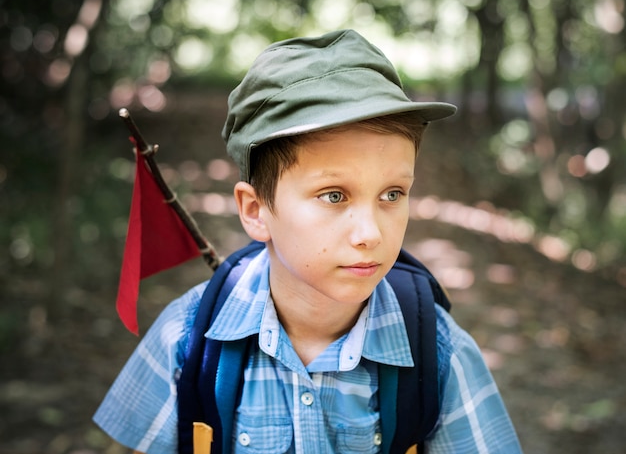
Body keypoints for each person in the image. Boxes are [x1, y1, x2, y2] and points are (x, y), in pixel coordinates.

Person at [94, 29, 522, 453]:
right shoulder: (186, 341)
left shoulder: (439, 355)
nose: (370, 233)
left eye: (392, 194)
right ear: (255, 211)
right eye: (334, 196)